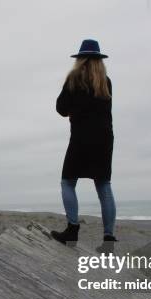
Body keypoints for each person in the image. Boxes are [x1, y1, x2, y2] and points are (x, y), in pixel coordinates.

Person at [51, 39, 117, 252]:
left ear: (80, 59)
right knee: (104, 186)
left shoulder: (74, 79)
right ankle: (108, 240)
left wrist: (74, 110)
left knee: (67, 182)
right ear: (99, 60)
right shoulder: (105, 82)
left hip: (81, 137)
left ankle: (72, 230)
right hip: (105, 139)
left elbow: (61, 108)